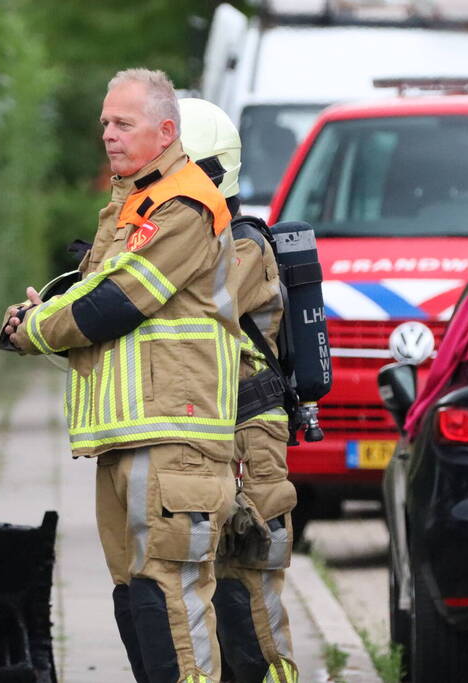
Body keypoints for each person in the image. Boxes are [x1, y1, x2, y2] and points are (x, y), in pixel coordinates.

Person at [4, 69, 240, 682]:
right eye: (105, 121)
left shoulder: (185, 203)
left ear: (165, 131)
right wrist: (41, 312)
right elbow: (86, 295)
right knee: (136, 600)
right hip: (131, 439)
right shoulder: (132, 202)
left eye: (123, 123)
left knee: (169, 597)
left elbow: (117, 303)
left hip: (174, 440)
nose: (107, 133)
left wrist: (31, 329)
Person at [180, 98, 299, 683]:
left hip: (250, 434)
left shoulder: (244, 245)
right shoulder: (200, 239)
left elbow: (193, 299)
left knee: (247, 579)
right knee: (205, 578)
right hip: (210, 429)